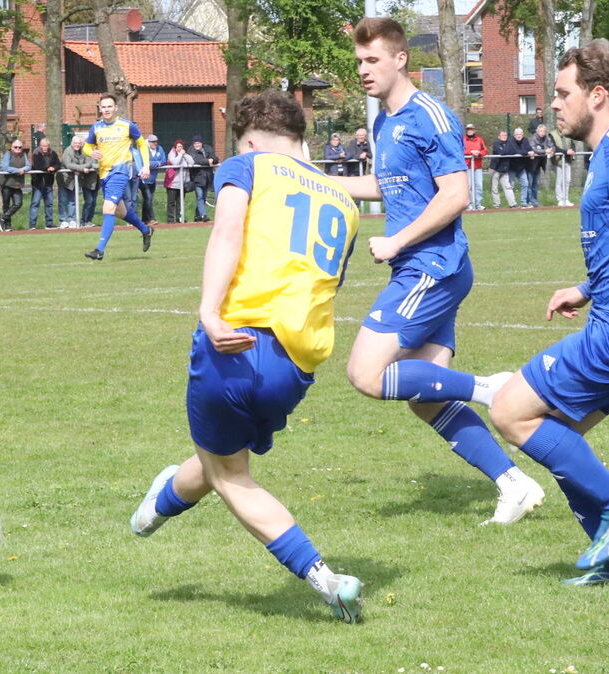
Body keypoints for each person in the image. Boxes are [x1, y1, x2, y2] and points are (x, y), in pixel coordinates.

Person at [412, 39, 609, 585]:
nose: (553, 104)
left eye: (562, 93)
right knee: (556, 436)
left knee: (510, 411)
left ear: (597, 95)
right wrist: (584, 288)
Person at [128, 90, 364, 622]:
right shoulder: (344, 201)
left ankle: (325, 580)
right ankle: (153, 511)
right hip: (296, 366)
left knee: (229, 475)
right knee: (221, 459)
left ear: (251, 142)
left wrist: (210, 312)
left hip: (236, 342)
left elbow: (227, 231)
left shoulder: (248, 166)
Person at [331, 17, 545, 525]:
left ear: (400, 59)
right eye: (359, 61)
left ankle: (489, 387)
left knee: (365, 373)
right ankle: (513, 484)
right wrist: (317, 181)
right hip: (421, 267)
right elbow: (387, 184)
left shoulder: (430, 115)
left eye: (373, 60)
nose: (363, 70)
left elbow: (456, 194)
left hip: (433, 267)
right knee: (424, 397)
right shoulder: (384, 122)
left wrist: (396, 241)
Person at [82, 93, 156, 259]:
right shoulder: (96, 128)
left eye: (109, 106)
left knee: (108, 208)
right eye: (103, 107)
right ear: (100, 109)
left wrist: (145, 165)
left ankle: (99, 250)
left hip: (121, 171)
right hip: (104, 174)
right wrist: (91, 152)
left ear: (116, 108)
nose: (106, 109)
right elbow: (87, 147)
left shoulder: (127, 125)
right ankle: (146, 230)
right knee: (120, 212)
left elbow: (142, 144)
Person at [60, 134, 98, 226]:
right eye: (76, 143)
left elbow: (88, 163)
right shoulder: (68, 151)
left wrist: (80, 168)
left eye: (79, 143)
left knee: (73, 201)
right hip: (65, 179)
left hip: (75, 179)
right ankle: (63, 221)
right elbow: (68, 165)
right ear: (72, 143)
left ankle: (72, 220)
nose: (78, 145)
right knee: (63, 201)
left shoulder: (82, 151)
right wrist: (81, 168)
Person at [28, 137, 59, 230]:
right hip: (38, 183)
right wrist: (48, 168)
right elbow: (38, 166)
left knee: (49, 203)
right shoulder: (36, 153)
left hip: (48, 183)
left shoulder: (53, 153)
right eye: (43, 146)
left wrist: (54, 168)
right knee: (35, 203)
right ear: (40, 146)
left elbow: (58, 163)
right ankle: (32, 225)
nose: (44, 147)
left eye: (46, 146)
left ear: (48, 146)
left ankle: (49, 223)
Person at [0, 139, 29, 231]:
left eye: (20, 147)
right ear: (12, 147)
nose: (18, 149)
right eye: (15, 147)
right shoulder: (8, 155)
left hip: (17, 184)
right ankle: (7, 226)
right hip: (6, 183)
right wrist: (17, 171)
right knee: (6, 205)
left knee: (18, 203)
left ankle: (2, 218)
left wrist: (24, 169)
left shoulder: (24, 155)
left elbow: (28, 166)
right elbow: (5, 167)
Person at [186, 134, 218, 222]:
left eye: (198, 143)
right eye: (195, 143)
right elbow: (196, 160)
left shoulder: (208, 148)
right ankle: (204, 215)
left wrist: (212, 160)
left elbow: (215, 158)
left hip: (207, 177)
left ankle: (197, 216)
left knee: (203, 197)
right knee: (200, 196)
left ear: (201, 143)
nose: (197, 145)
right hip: (197, 177)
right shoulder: (191, 150)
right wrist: (208, 161)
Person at [163, 139, 195, 224]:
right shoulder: (171, 154)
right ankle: (170, 219)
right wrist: (180, 155)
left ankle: (179, 218)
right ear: (175, 147)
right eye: (178, 146)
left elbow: (191, 162)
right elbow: (175, 163)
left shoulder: (185, 154)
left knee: (180, 202)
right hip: (172, 183)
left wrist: (184, 155)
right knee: (171, 202)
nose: (180, 148)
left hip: (182, 183)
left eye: (181, 146)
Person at [139, 134, 165, 224]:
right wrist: (157, 163)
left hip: (153, 179)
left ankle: (144, 219)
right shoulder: (144, 149)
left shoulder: (160, 149)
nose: (155, 143)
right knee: (148, 198)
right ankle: (151, 218)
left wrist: (153, 164)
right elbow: (144, 162)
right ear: (149, 142)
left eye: (156, 141)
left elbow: (163, 160)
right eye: (153, 142)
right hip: (144, 179)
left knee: (148, 200)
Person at [527, 124, 554, 206]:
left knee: (535, 184)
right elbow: (533, 149)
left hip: (539, 165)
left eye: (544, 131)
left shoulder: (547, 138)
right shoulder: (532, 138)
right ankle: (528, 202)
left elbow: (552, 146)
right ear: (537, 131)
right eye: (541, 131)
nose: (542, 133)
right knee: (529, 184)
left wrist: (552, 151)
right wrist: (545, 151)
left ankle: (535, 201)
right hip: (531, 165)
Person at [507, 127, 535, 207]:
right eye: (517, 134)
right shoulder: (510, 141)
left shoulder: (525, 140)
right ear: (514, 135)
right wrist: (527, 153)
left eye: (520, 134)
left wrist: (531, 152)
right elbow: (515, 151)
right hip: (512, 167)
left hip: (521, 167)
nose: (519, 136)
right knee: (511, 186)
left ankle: (523, 202)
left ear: (522, 135)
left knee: (525, 183)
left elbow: (529, 148)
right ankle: (512, 203)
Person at [549, 124, 576, 206]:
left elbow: (573, 144)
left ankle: (566, 199)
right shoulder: (552, 134)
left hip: (568, 160)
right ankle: (560, 200)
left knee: (567, 180)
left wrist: (573, 150)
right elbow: (554, 147)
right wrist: (566, 152)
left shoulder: (568, 133)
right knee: (559, 181)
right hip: (558, 161)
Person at [490, 129, 517, 208]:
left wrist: (506, 151)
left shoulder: (509, 143)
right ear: (499, 136)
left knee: (507, 187)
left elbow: (513, 151)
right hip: (495, 169)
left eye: (505, 135)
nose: (504, 137)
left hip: (504, 169)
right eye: (503, 135)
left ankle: (512, 203)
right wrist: (507, 151)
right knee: (494, 188)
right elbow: (501, 152)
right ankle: (496, 204)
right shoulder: (496, 143)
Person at [463, 124, 488, 210]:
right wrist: (471, 152)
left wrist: (479, 153)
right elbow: (460, 150)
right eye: (468, 129)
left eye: (471, 129)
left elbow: (485, 150)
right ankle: (469, 204)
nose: (470, 131)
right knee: (469, 185)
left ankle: (478, 204)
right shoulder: (463, 140)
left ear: (474, 130)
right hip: (468, 165)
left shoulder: (479, 139)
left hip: (478, 166)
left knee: (479, 185)